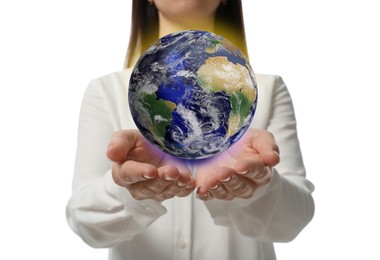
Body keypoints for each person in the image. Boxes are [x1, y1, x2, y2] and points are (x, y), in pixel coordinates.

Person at [66, 0, 315, 259]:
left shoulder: (266, 89)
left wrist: (257, 187)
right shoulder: (105, 91)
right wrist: (129, 191)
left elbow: (293, 222)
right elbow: (85, 223)